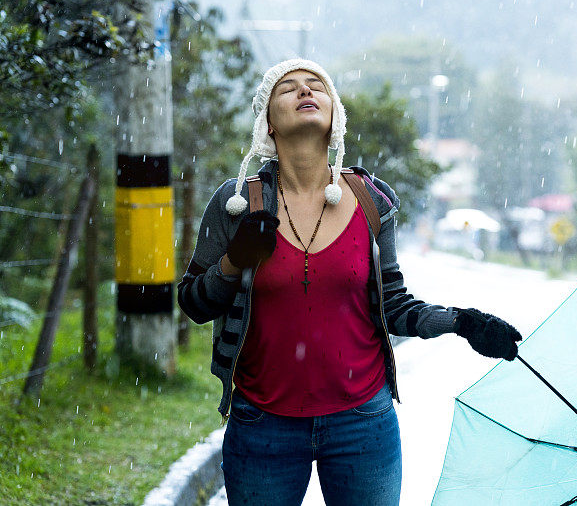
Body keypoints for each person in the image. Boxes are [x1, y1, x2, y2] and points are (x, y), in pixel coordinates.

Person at [177, 58, 522, 506]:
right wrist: (232, 263)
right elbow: (192, 302)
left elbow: (394, 306)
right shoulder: (237, 202)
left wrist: (462, 322)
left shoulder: (371, 200)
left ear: (333, 114)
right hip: (262, 423)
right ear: (269, 123)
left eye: (315, 86)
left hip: (362, 421)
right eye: (289, 89)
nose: (305, 92)